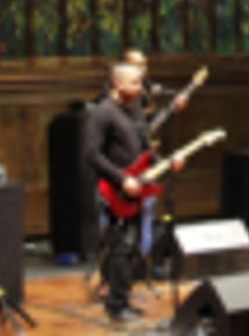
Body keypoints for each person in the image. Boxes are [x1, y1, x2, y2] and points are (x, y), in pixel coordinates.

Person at [85, 61, 184, 322]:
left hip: (136, 189)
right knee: (119, 247)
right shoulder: (103, 113)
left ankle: (124, 298)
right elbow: (91, 154)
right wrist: (120, 179)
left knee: (134, 248)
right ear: (117, 83)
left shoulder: (136, 112)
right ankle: (115, 305)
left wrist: (167, 162)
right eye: (134, 83)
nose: (140, 89)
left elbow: (145, 152)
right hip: (113, 190)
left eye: (140, 83)